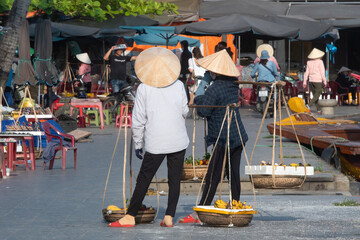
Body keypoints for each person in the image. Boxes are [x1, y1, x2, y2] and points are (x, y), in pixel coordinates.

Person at [109, 47, 189, 228]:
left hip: (156, 141)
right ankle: (169, 216)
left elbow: (138, 119)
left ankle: (130, 215)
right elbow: (185, 111)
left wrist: (138, 143)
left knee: (144, 178)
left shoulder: (144, 88)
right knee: (174, 179)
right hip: (178, 139)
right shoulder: (179, 85)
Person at [179, 49, 248, 224]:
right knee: (233, 175)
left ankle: (201, 211)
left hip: (222, 137)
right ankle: (235, 205)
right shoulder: (232, 84)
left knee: (213, 176)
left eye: (210, 71)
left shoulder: (215, 88)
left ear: (215, 72)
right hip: (237, 134)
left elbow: (203, 110)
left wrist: (202, 86)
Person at [303, 48, 327, 113]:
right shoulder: (320, 62)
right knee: (317, 94)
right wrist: (325, 81)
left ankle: (319, 109)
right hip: (318, 80)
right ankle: (308, 105)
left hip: (311, 80)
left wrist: (304, 81)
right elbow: (322, 72)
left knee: (315, 95)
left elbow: (306, 73)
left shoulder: (309, 62)